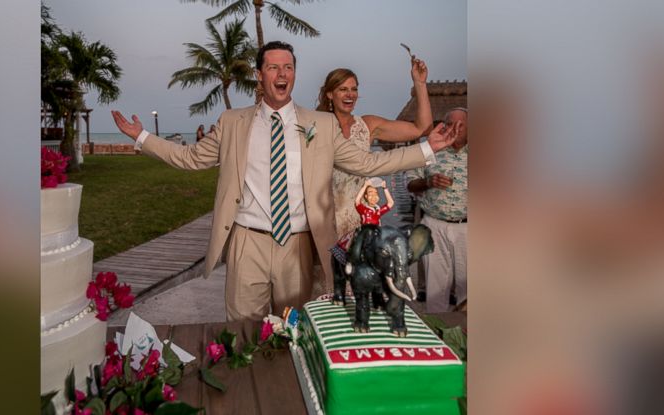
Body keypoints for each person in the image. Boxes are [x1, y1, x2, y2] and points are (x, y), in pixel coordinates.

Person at [111, 41, 456, 321]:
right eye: (273, 67)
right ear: (260, 76)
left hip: (298, 245)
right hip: (247, 243)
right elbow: (190, 158)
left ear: (294, 75)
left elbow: (367, 162)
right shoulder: (233, 122)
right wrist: (141, 136)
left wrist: (426, 149)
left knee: (295, 326)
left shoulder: (320, 124)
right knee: (244, 328)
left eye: (288, 67)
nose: (281, 73)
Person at [317, 57, 435, 274]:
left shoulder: (368, 125)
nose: (350, 94)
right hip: (320, 222)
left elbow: (422, 128)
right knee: (324, 288)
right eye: (343, 89)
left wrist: (419, 84)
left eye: (354, 89)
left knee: (359, 287)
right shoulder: (315, 125)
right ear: (329, 94)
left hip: (359, 222)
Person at [405, 107, 468, 313]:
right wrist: (429, 181)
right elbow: (410, 184)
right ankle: (439, 330)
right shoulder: (430, 150)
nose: (454, 128)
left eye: (460, 124)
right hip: (433, 225)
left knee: (469, 288)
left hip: (468, 228)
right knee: (435, 288)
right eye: (449, 123)